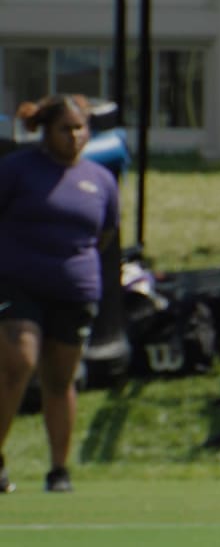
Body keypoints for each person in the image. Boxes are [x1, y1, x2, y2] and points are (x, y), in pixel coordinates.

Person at [0, 95, 119, 494]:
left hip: (74, 290)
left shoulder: (101, 179)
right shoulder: (16, 170)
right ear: (46, 132)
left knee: (60, 379)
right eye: (65, 128)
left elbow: (104, 235)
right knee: (18, 362)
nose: (74, 136)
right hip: (17, 284)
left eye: (80, 127)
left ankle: (58, 470)